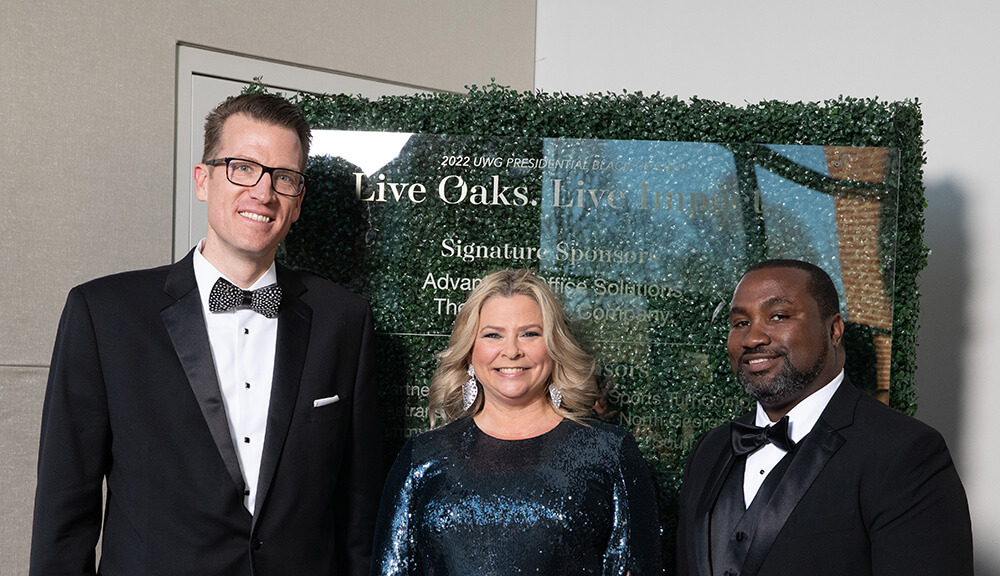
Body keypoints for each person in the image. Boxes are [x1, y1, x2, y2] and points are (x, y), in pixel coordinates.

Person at [30, 93, 383, 576]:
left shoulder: (344, 319)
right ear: (203, 179)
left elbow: (357, 510)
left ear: (298, 202)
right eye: (243, 167)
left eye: (284, 177)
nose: (263, 192)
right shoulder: (104, 314)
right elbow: (64, 514)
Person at [676, 259, 973, 576]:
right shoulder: (710, 449)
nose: (752, 338)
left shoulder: (903, 451)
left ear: (834, 330)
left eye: (778, 316)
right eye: (740, 323)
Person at [369, 269, 663, 576]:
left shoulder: (609, 452)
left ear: (554, 347)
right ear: (470, 352)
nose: (511, 351)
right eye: (493, 335)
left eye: (530, 334)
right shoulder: (423, 456)